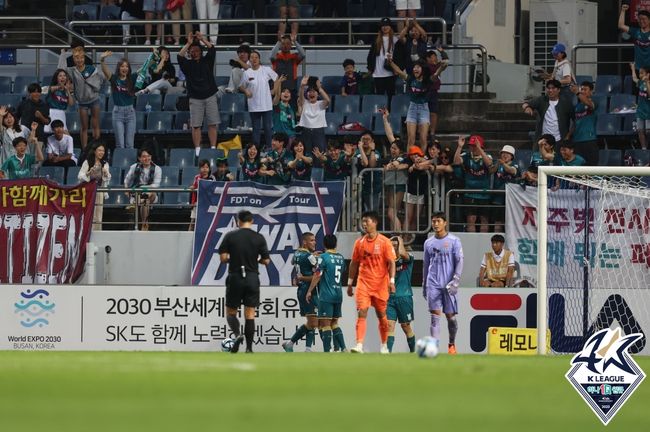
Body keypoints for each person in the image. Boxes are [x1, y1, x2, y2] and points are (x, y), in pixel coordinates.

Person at [219, 210, 271, 354]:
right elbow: (266, 260)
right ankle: (249, 348)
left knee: (231, 312)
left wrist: (234, 258)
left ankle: (237, 335)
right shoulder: (259, 238)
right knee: (250, 314)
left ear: (238, 221)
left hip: (235, 276)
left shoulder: (230, 236)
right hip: (252, 277)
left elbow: (223, 258)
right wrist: (256, 260)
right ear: (252, 221)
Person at [347, 210, 397, 354]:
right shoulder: (359, 243)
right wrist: (350, 283)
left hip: (380, 284)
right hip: (363, 283)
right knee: (362, 312)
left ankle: (384, 345)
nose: (364, 224)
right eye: (363, 222)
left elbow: (391, 262)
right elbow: (354, 263)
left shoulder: (385, 242)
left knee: (382, 315)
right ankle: (359, 345)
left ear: (375, 223)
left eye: (366, 221)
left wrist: (392, 281)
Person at [422, 211, 464, 354]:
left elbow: (459, 260)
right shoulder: (428, 242)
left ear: (445, 223)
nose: (435, 224)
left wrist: (456, 280)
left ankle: (451, 344)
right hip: (433, 283)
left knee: (451, 317)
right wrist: (424, 284)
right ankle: (434, 348)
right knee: (434, 316)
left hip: (448, 284)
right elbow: (426, 264)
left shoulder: (454, 241)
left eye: (438, 221)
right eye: (433, 221)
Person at [178, 32, 220, 156]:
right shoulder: (187, 65)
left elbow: (212, 49)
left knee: (212, 123)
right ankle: (197, 149)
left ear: (201, 52)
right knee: (196, 125)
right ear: (190, 53)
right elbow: (180, 56)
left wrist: (202, 39)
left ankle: (213, 147)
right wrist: (189, 43)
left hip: (210, 95)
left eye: (197, 50)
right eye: (192, 50)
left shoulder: (207, 61)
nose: (194, 52)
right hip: (195, 98)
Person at [306, 234, 347, 353]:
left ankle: (327, 352)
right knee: (335, 323)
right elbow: (341, 271)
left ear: (324, 244)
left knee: (325, 324)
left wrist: (309, 290)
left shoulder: (323, 257)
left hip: (326, 295)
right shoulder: (341, 257)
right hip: (338, 294)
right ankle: (343, 348)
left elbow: (317, 274)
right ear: (336, 244)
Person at [58, 45, 105, 150]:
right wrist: (63, 55)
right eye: (76, 58)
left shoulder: (91, 68)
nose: (79, 60)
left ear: (84, 58)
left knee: (95, 125)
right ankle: (85, 150)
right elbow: (61, 70)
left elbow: (101, 79)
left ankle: (97, 148)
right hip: (82, 102)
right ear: (73, 59)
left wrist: (93, 86)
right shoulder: (72, 71)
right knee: (84, 127)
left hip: (94, 100)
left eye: (81, 57)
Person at [282, 232, 319, 352]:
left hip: (302, 290)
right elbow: (317, 275)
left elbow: (294, 262)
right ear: (304, 242)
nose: (314, 242)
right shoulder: (308, 256)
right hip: (308, 291)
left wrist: (299, 277)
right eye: (312, 240)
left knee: (311, 320)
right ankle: (291, 343)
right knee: (313, 321)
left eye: (314, 240)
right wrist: (313, 257)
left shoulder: (297, 253)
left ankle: (306, 348)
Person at [386, 58, 431, 150]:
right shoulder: (410, 79)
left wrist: (443, 66)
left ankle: (421, 161)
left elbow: (437, 73)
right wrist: (391, 62)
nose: (415, 69)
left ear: (423, 69)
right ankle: (409, 160)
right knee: (411, 139)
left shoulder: (428, 80)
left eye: (418, 67)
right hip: (412, 109)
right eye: (414, 67)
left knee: (423, 139)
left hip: (424, 109)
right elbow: (398, 71)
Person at [239, 50, 278, 152]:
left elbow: (277, 78)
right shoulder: (247, 73)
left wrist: (275, 90)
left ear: (259, 59)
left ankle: (270, 149)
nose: (254, 59)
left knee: (268, 128)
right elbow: (241, 86)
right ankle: (255, 150)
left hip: (266, 105)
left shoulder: (266, 70)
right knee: (256, 129)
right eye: (252, 57)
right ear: (249, 60)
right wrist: (246, 90)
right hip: (254, 105)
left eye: (256, 57)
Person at [453, 135, 493, 233]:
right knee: (471, 219)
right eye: (471, 145)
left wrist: (479, 148)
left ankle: (484, 244)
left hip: (484, 194)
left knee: (484, 220)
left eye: (474, 145)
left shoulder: (487, 156)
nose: (472, 148)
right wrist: (459, 147)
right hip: (470, 193)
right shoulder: (466, 155)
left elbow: (489, 164)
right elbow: (456, 162)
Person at [100, 51, 137, 149]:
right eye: (122, 66)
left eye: (126, 66)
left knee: (130, 144)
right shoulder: (114, 79)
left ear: (129, 69)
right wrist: (102, 59)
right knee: (120, 144)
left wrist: (152, 56)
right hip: (118, 114)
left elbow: (144, 68)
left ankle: (129, 164)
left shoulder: (132, 78)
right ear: (118, 68)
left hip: (130, 113)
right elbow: (105, 70)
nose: (124, 68)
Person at [522, 79, 574, 146]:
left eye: (553, 88)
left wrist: (568, 135)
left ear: (559, 90)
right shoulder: (542, 100)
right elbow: (525, 104)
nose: (550, 90)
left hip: (560, 140)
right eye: (548, 88)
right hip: (543, 140)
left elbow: (575, 120)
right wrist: (527, 108)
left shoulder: (566, 103)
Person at [387, 235, 416, 353]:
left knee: (406, 326)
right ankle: (387, 354)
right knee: (389, 325)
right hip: (390, 298)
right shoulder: (387, 261)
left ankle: (413, 351)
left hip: (404, 297)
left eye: (396, 245)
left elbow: (403, 253)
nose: (393, 247)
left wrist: (400, 241)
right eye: (391, 245)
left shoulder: (408, 258)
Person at [123, 148, 162, 231]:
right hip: (137, 194)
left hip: (151, 194)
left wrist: (143, 188)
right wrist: (126, 189)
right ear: (139, 158)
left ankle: (136, 203)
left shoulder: (157, 169)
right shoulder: (134, 167)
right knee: (145, 201)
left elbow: (156, 185)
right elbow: (126, 180)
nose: (147, 158)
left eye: (148, 156)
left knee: (149, 193)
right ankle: (145, 225)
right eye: (144, 156)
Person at [382, 110, 407, 231]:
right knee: (391, 213)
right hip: (390, 184)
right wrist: (385, 119)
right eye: (391, 148)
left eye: (395, 149)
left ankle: (399, 236)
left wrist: (387, 167)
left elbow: (395, 165)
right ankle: (394, 236)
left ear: (400, 150)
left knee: (392, 213)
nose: (392, 150)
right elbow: (389, 134)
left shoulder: (402, 157)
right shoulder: (394, 156)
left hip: (399, 186)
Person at [78, 142, 111, 230]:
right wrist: (89, 173)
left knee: (98, 213)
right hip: (89, 191)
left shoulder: (105, 163)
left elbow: (108, 178)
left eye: (103, 151)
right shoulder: (88, 162)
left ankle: (97, 232)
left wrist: (105, 172)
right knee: (88, 212)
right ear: (94, 151)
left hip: (99, 190)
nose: (101, 152)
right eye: (99, 150)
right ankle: (86, 232)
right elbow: (80, 176)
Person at [367, 17, 402, 99]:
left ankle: (390, 112)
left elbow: (400, 56)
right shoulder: (376, 40)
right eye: (383, 25)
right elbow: (370, 56)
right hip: (378, 74)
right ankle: (380, 112)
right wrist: (370, 68)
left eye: (387, 25)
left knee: (391, 98)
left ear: (390, 27)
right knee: (379, 99)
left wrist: (397, 69)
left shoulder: (394, 39)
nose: (385, 27)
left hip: (390, 73)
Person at [489, 145, 519, 233]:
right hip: (497, 198)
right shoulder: (497, 163)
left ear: (512, 156)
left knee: (509, 221)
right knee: (497, 221)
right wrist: (498, 164)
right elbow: (491, 171)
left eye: (508, 154)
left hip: (510, 199)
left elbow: (512, 171)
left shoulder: (515, 165)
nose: (505, 155)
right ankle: (497, 238)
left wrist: (503, 164)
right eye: (503, 153)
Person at [296, 76, 330, 154]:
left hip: (318, 132)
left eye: (314, 91)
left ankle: (318, 166)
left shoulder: (321, 103)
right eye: (309, 91)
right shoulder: (304, 103)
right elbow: (301, 98)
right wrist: (302, 86)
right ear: (306, 94)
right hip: (306, 131)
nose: (311, 93)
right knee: (307, 152)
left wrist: (319, 88)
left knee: (319, 153)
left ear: (318, 94)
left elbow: (328, 100)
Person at [569, 80, 599, 164]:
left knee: (591, 168)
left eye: (585, 89)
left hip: (589, 140)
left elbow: (588, 103)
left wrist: (577, 93)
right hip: (577, 141)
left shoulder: (594, 102)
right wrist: (568, 136)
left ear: (591, 92)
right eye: (581, 89)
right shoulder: (577, 107)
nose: (582, 91)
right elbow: (575, 123)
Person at [403, 145, 428, 239]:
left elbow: (428, 163)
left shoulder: (425, 159)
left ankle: (412, 239)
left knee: (416, 218)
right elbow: (404, 165)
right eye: (412, 155)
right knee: (408, 217)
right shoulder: (407, 161)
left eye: (416, 154)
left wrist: (416, 164)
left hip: (420, 193)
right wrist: (412, 165)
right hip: (409, 192)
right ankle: (405, 239)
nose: (414, 156)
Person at [356, 130, 382, 212]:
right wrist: (360, 148)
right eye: (363, 139)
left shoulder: (376, 153)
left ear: (372, 141)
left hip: (373, 188)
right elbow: (365, 163)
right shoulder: (358, 153)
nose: (365, 141)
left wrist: (372, 150)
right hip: (360, 188)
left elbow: (372, 165)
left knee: (372, 213)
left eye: (368, 139)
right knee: (361, 213)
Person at [424, 49, 448, 139]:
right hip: (425, 91)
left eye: (436, 57)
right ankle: (423, 132)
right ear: (428, 58)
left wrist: (442, 52)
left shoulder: (438, 65)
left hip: (434, 91)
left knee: (433, 112)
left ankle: (432, 133)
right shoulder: (425, 66)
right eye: (434, 57)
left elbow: (446, 62)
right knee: (424, 113)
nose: (436, 59)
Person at [619, 4, 650, 71]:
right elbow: (621, 25)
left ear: (649, 20)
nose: (641, 21)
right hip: (638, 69)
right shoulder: (635, 31)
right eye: (639, 19)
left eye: (644, 19)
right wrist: (623, 10)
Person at [189, 159, 217, 230]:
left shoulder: (212, 177)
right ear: (199, 169)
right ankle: (188, 234)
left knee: (207, 222)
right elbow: (194, 186)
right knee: (192, 221)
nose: (205, 169)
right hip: (197, 202)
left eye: (207, 167)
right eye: (203, 167)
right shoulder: (196, 177)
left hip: (208, 203)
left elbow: (214, 189)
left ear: (209, 169)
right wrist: (192, 187)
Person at [44, 69, 74, 133]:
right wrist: (61, 86)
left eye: (64, 75)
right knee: (49, 133)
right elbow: (51, 89)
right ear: (56, 78)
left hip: (61, 114)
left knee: (65, 134)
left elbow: (71, 103)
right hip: (51, 113)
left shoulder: (66, 91)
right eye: (60, 76)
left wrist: (68, 91)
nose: (63, 77)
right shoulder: (52, 88)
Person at [630, 63, 650, 150]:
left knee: (648, 131)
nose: (640, 75)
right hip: (640, 111)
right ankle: (644, 149)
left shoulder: (647, 83)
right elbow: (634, 78)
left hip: (648, 112)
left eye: (642, 73)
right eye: (640, 73)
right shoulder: (641, 83)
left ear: (648, 74)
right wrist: (633, 69)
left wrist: (647, 82)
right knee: (640, 131)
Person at [272, 74, 297, 141]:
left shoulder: (291, 109)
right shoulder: (276, 104)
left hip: (290, 136)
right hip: (278, 137)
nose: (286, 93)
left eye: (288, 92)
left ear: (291, 96)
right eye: (283, 92)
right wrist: (279, 82)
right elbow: (277, 94)